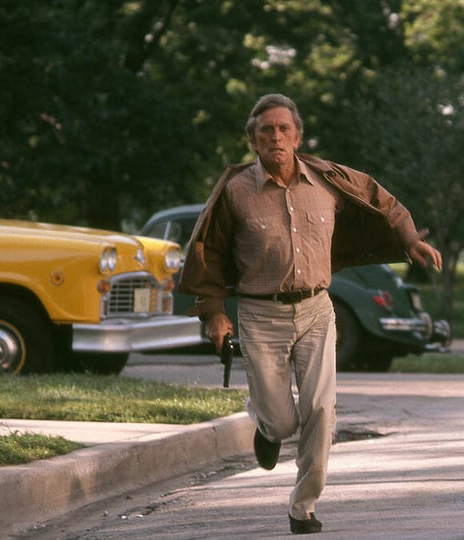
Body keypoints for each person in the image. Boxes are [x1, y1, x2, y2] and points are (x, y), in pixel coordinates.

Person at [178, 93, 442, 534]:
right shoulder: (236, 192)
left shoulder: (328, 181)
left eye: (284, 129)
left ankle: (304, 507)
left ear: (297, 137)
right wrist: (214, 314)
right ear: (253, 140)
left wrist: (409, 238)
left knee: (321, 409)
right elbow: (210, 253)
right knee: (282, 420)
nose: (276, 137)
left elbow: (381, 200)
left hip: (317, 310)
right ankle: (267, 428)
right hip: (260, 315)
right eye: (266, 130)